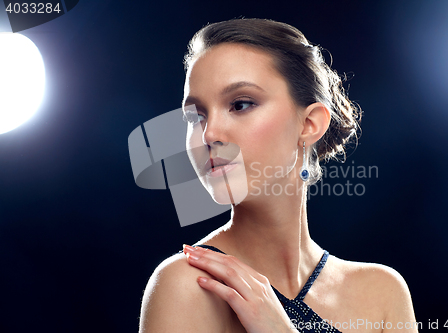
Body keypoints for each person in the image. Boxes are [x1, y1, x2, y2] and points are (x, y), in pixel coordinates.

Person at [139, 18, 418, 333]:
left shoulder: (382, 292)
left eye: (241, 104)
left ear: (310, 123)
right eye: (196, 116)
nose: (210, 133)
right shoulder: (190, 286)